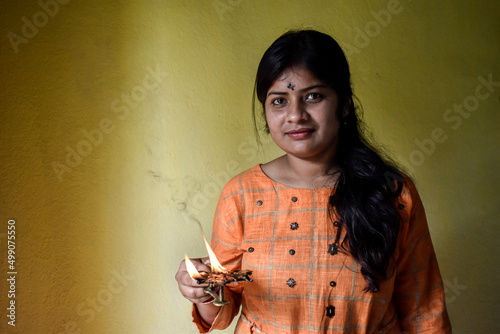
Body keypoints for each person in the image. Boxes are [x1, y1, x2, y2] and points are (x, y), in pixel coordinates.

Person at [175, 30, 452, 334]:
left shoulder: (391, 191)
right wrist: (202, 290)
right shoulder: (241, 195)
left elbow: (424, 309)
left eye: (312, 96)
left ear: (344, 104)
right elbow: (222, 310)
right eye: (279, 100)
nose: (295, 115)